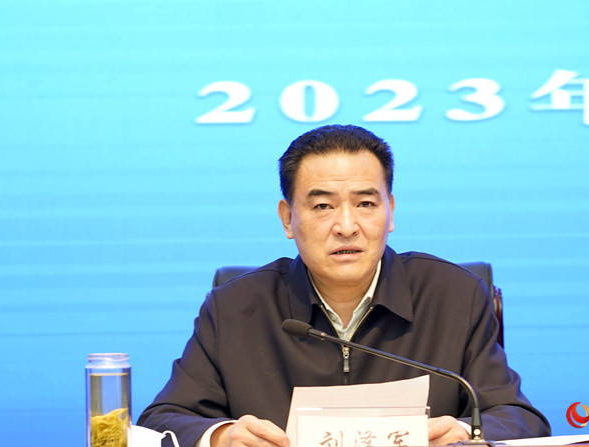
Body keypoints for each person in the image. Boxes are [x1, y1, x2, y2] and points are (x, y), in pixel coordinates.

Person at [138, 124, 551, 447]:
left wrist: (466, 433)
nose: (347, 226)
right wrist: (221, 436)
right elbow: (161, 422)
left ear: (391, 212)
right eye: (322, 206)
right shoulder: (234, 307)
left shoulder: (454, 295)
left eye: (366, 203)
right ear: (287, 218)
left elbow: (520, 419)